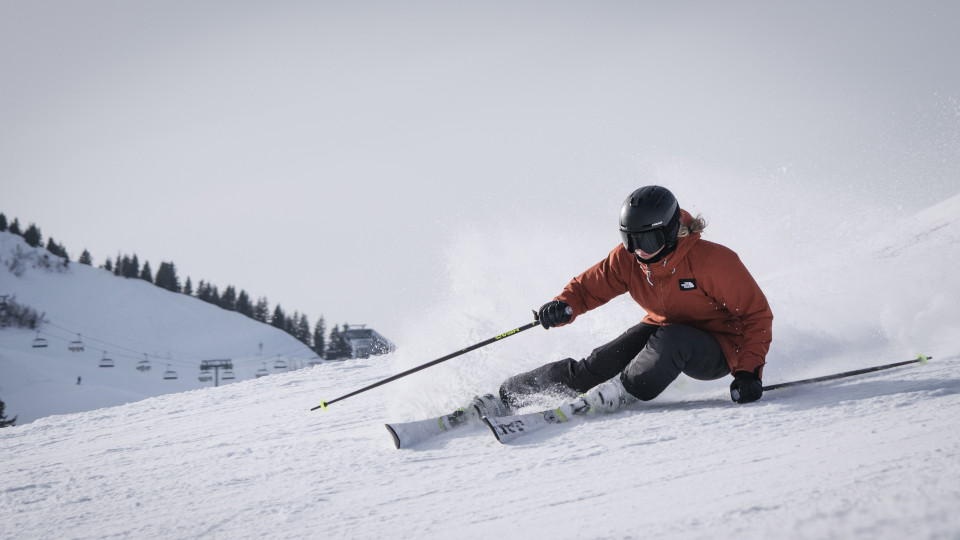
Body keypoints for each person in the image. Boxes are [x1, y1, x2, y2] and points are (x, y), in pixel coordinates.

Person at [475, 185, 773, 417]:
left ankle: (621, 390)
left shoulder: (714, 261)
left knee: (673, 338)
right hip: (662, 329)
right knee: (592, 368)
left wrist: (748, 372)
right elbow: (589, 287)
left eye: (648, 241)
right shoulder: (628, 260)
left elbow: (756, 316)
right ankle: (508, 395)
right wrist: (563, 305)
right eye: (630, 240)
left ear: (669, 233)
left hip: (719, 347)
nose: (639, 250)